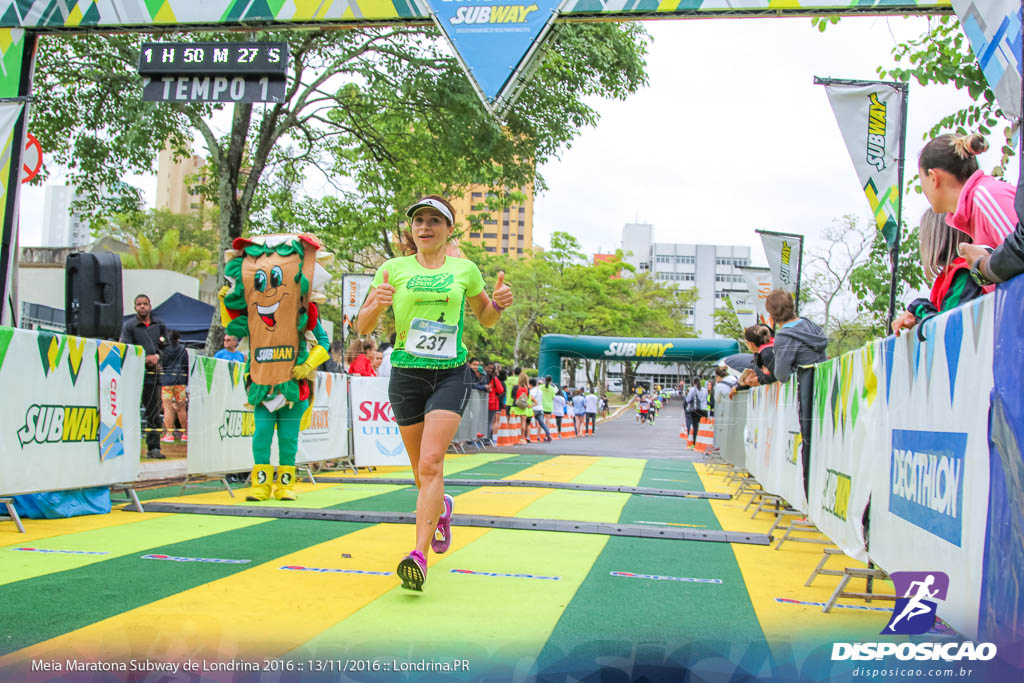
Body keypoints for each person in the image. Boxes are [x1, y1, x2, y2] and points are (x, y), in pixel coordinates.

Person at [355, 194, 513, 592]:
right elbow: (362, 328)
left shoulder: (465, 270)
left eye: (434, 221)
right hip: (406, 375)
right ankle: (441, 507)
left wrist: (498, 303)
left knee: (430, 464)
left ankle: (418, 556)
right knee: (420, 473)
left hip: (450, 374)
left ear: (448, 229)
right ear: (412, 229)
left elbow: (487, 319)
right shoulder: (392, 269)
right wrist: (378, 305)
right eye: (418, 221)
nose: (425, 227)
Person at [221, 233, 332, 502]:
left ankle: (285, 485)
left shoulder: (303, 311)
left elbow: (324, 343)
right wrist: (226, 303)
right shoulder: (255, 314)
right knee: (260, 436)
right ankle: (259, 485)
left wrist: (307, 365)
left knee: (288, 440)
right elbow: (233, 328)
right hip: (261, 383)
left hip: (294, 387)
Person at [765, 289, 828, 497]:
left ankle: (809, 501)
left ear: (772, 315)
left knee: (808, 443)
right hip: (826, 389)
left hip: (807, 391)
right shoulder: (811, 326)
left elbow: (781, 374)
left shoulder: (785, 337)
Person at [892, 209, 992, 337]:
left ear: (934, 239)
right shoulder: (956, 272)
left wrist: (919, 309)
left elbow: (948, 327)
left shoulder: (964, 273)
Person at [918, 133, 1015, 251]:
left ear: (933, 177)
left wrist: (985, 264)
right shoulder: (976, 210)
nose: (922, 188)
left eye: (921, 179)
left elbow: (1019, 253)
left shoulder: (985, 199)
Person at [120, 294, 168, 459]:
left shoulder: (159, 326)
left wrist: (157, 357)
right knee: (129, 411)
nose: (142, 307)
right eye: (139, 304)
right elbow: (126, 347)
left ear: (150, 306)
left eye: (145, 304)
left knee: (153, 413)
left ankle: (154, 447)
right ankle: (126, 445)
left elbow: (167, 347)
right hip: (134, 376)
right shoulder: (129, 326)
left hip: (153, 377)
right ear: (135, 307)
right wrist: (143, 358)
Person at [159, 329, 189, 444]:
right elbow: (185, 365)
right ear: (178, 338)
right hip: (180, 381)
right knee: (182, 408)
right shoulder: (182, 349)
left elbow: (163, 364)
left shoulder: (164, 349)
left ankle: (169, 434)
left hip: (167, 381)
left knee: (167, 408)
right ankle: (185, 434)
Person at [510, 372, 534, 444]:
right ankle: (522, 437)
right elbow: (527, 397)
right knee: (523, 422)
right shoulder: (528, 388)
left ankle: (512, 437)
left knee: (513, 422)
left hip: (515, 406)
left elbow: (512, 396)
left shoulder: (515, 387)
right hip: (523, 407)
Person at [685, 378, 707, 447]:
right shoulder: (705, 390)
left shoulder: (693, 389)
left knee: (696, 427)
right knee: (703, 427)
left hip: (696, 410)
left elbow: (688, 399)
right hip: (704, 410)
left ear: (694, 383)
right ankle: (703, 443)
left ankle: (695, 443)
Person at [488, 367, 506, 444]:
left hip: (490, 402)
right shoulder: (497, 381)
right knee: (495, 421)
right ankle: (493, 438)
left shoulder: (489, 379)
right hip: (496, 403)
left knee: (490, 421)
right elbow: (501, 391)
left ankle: (490, 437)